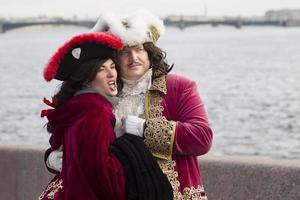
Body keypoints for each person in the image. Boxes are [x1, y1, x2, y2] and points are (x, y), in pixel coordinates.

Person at [47, 10, 213, 200]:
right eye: (125, 52)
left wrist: (144, 129)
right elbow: (80, 141)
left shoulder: (178, 87)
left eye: (139, 49)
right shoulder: (102, 95)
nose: (133, 57)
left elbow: (202, 137)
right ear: (113, 59)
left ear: (150, 52)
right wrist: (56, 158)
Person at [39, 32, 127, 200]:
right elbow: (101, 174)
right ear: (86, 79)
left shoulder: (77, 108)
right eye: (102, 69)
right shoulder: (97, 112)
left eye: (112, 66)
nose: (111, 74)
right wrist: (132, 154)